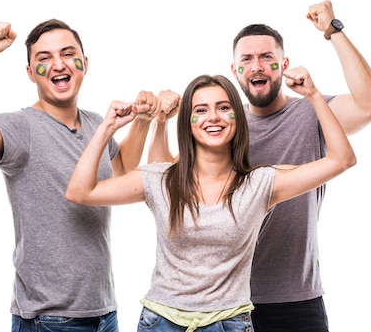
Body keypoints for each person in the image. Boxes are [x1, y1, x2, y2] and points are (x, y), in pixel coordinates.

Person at [65, 74, 356, 332]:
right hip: (162, 323)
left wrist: (314, 96)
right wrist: (107, 128)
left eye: (223, 107)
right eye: (200, 110)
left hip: (229, 323)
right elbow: (80, 192)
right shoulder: (161, 179)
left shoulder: (261, 183)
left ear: (237, 118)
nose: (212, 117)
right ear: (188, 123)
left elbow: (342, 159)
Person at [0, 19, 164, 332]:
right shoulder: (22, 129)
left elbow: (121, 171)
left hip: (104, 312)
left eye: (67, 54)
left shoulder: (94, 123)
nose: (58, 64)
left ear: (84, 64)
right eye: (44, 58)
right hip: (50, 319)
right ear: (31, 73)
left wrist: (141, 121)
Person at [230, 0, 371, 332]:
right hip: (228, 301)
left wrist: (334, 30)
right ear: (235, 71)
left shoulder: (310, 112)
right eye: (247, 59)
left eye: (267, 57)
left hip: (298, 302)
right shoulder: (224, 126)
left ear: (283, 64)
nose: (257, 66)